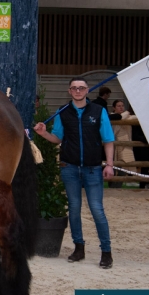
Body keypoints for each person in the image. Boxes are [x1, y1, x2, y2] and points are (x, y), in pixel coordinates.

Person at [34, 77, 115, 269]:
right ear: (69, 91)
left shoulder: (98, 111)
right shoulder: (63, 111)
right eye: (74, 88)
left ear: (87, 90)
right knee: (75, 208)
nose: (78, 91)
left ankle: (106, 252)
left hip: (93, 168)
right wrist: (44, 133)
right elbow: (57, 138)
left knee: (97, 209)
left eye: (82, 88)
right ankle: (79, 248)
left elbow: (108, 140)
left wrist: (109, 164)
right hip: (69, 167)